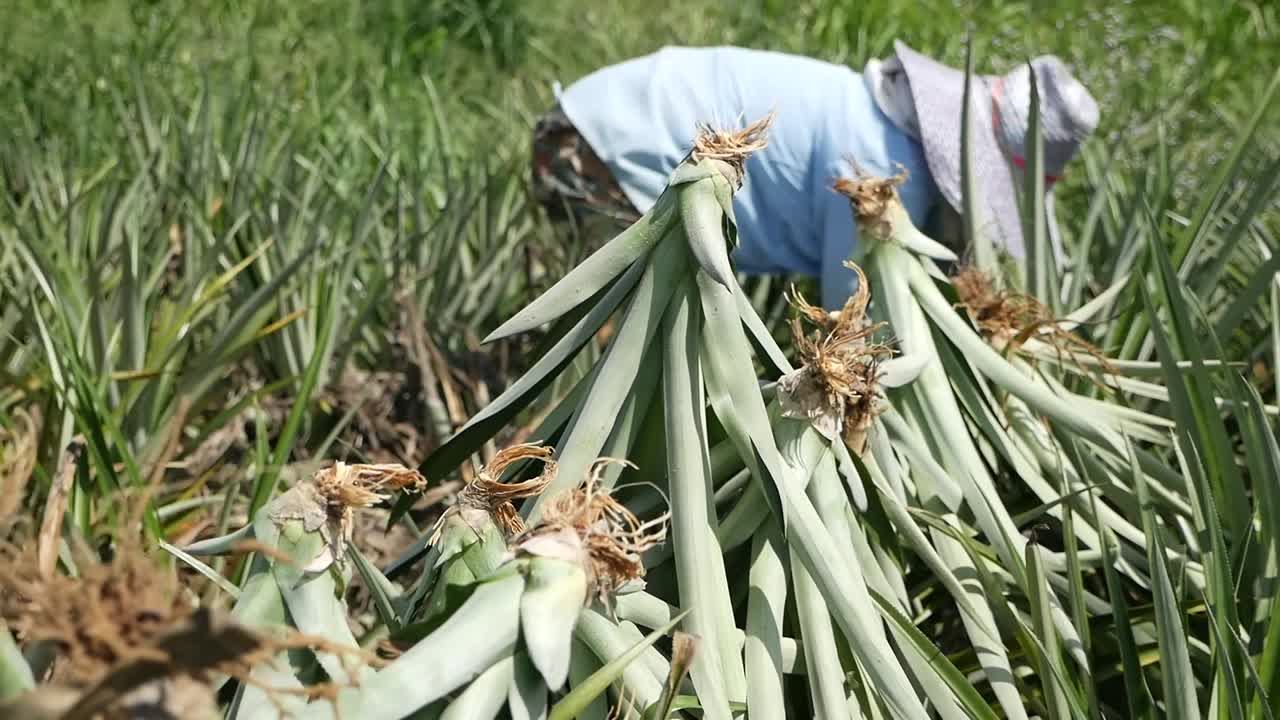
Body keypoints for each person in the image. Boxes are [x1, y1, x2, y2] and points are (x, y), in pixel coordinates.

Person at [530, 41, 1099, 309]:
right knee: (604, 346)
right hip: (594, 154)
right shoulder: (886, 179)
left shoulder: (884, 121)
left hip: (585, 123)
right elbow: (851, 327)